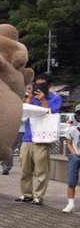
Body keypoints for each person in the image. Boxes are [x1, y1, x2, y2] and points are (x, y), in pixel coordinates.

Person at [15, 74, 62, 206]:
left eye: (42, 84)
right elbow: (22, 112)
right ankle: (26, 194)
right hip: (27, 137)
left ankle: (39, 196)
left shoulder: (55, 98)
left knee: (41, 170)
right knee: (25, 169)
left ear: (49, 85)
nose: (39, 86)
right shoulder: (32, 98)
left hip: (42, 138)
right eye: (36, 84)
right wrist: (29, 97)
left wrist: (43, 101)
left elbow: (51, 115)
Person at [62, 104, 80, 213]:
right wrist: (74, 152)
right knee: (71, 181)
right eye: (79, 114)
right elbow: (68, 143)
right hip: (75, 156)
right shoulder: (72, 129)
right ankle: (70, 204)